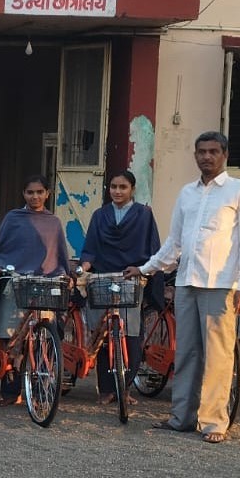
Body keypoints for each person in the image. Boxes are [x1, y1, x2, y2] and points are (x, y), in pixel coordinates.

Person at [128, 131, 240, 444]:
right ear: (195, 155)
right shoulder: (187, 193)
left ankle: (213, 422)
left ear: (224, 155)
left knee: (218, 356)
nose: (207, 157)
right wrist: (146, 268)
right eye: (201, 152)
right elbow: (175, 241)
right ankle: (181, 418)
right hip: (187, 281)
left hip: (221, 285)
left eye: (213, 151)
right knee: (186, 353)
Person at [78, 171, 161, 409]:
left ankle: (125, 388)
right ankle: (106, 390)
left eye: (123, 187)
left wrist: (144, 270)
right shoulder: (100, 215)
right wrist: (84, 268)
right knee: (104, 334)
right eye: (113, 186)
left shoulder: (144, 214)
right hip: (103, 277)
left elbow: (152, 247)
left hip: (131, 277)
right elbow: (90, 248)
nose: (117, 191)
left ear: (132, 189)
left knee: (131, 335)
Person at [0, 176, 70, 404]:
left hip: (44, 284)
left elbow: (59, 256)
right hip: (16, 283)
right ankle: (10, 390)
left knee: (44, 337)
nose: (35, 196)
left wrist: (64, 274)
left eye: (40, 192)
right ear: (23, 194)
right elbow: (1, 251)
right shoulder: (13, 218)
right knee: (10, 337)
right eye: (30, 192)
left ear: (47, 194)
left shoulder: (53, 222)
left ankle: (42, 389)